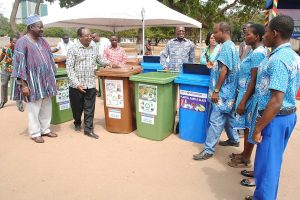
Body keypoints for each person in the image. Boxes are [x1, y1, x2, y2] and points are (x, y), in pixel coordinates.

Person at [244, 15, 300, 200]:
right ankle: (260, 195)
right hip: (281, 117)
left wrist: (258, 128)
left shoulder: (279, 60)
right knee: (267, 163)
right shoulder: (291, 55)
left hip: (275, 118)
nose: (264, 35)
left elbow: (277, 100)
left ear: (275, 34)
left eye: (266, 32)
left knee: (267, 167)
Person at [227, 24, 267, 189]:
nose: (245, 36)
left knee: (249, 128)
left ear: (257, 36)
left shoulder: (258, 54)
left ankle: (246, 158)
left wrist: (243, 100)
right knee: (245, 127)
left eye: (248, 34)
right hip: (245, 93)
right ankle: (244, 154)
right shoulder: (252, 50)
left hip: (249, 96)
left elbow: (254, 80)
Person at [193, 22, 240, 160]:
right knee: (229, 116)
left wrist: (216, 90)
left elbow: (224, 70)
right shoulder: (229, 46)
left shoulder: (226, 47)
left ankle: (208, 150)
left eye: (216, 32)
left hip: (223, 92)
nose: (213, 35)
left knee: (216, 121)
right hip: (229, 92)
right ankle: (234, 139)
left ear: (224, 31)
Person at [11, 15, 58, 143]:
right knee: (34, 108)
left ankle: (45, 129)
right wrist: (24, 85)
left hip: (46, 80)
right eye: (39, 27)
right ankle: (35, 132)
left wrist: (53, 78)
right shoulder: (22, 42)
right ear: (31, 28)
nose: (42, 29)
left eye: (42, 27)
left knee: (47, 106)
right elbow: (19, 65)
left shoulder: (43, 41)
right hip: (32, 82)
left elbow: (50, 58)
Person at [66, 27, 108, 139]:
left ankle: (88, 129)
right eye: (87, 36)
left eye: (90, 35)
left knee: (89, 108)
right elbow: (69, 68)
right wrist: (76, 83)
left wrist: (109, 63)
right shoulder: (72, 48)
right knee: (77, 108)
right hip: (76, 85)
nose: (90, 37)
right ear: (80, 37)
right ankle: (77, 122)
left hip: (90, 83)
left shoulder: (93, 46)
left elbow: (99, 59)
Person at [0, 36, 24, 111]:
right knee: (3, 84)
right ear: (10, 42)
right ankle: (3, 101)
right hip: (6, 68)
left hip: (16, 70)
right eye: (14, 42)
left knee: (18, 85)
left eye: (17, 42)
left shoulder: (20, 49)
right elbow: (2, 56)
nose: (16, 44)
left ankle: (19, 103)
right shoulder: (5, 48)